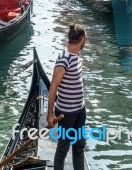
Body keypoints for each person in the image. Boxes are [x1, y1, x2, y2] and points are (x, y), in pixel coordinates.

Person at [47, 23, 87, 170]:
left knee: (79, 147)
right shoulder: (63, 59)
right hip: (65, 113)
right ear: (82, 40)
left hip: (80, 110)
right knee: (63, 149)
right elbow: (53, 87)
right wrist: (50, 114)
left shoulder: (76, 55)